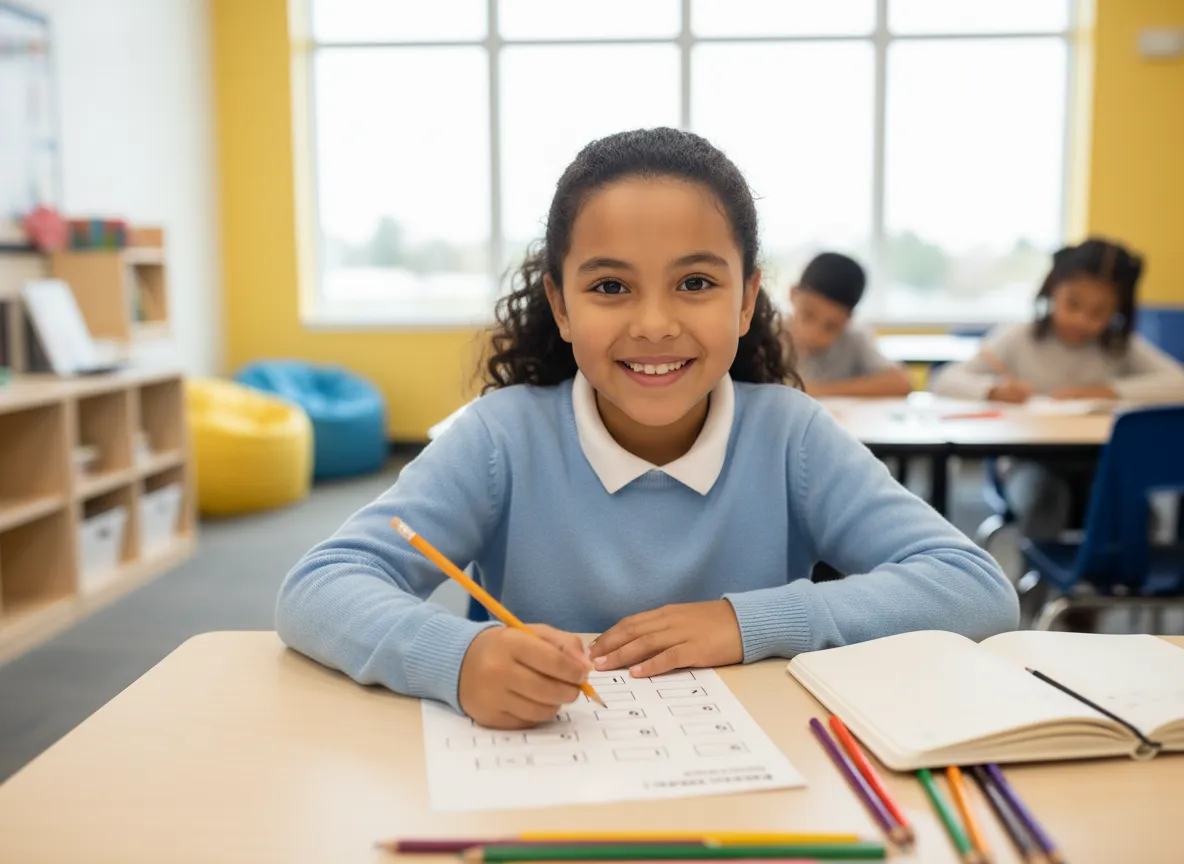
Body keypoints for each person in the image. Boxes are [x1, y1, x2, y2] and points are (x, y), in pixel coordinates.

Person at [276, 127, 1017, 730]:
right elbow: (320, 585)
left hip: (752, 784)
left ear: (747, 297)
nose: (655, 324)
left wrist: (747, 621)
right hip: (541, 781)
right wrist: (458, 657)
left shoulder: (790, 437)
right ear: (562, 307)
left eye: (696, 284)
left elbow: (975, 585)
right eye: (609, 287)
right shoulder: (502, 439)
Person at [933, 237, 1184, 539]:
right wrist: (993, 390)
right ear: (1053, 290)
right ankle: (1038, 581)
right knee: (1044, 498)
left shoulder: (1119, 346)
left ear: (1119, 310)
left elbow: (1178, 383)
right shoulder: (1019, 338)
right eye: (1073, 304)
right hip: (1026, 461)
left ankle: (1116, 582)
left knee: (1136, 509)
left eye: (1099, 312)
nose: (1082, 320)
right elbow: (945, 379)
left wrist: (1110, 390)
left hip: (1096, 461)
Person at [785, 252, 912, 397]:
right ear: (792, 294)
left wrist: (819, 390)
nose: (814, 333)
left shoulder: (853, 339)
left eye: (831, 326)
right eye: (808, 315)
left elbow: (902, 382)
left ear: (848, 320)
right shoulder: (766, 336)